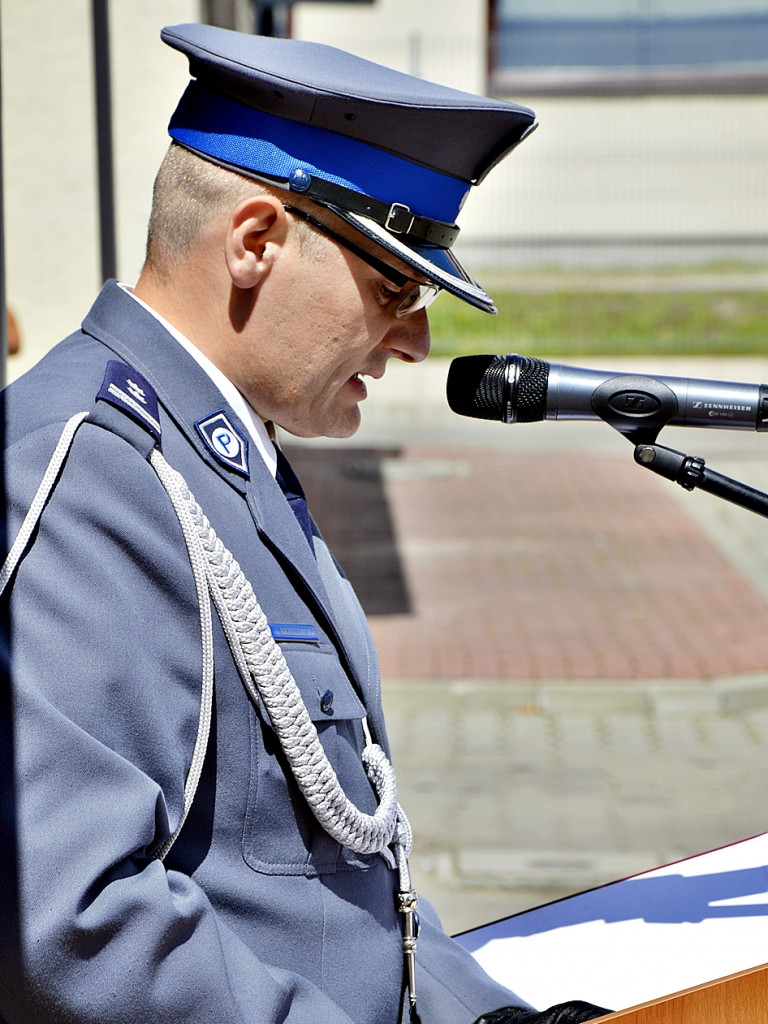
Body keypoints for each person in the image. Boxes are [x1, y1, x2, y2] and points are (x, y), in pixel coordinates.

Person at [0, 23, 610, 1024]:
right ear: (253, 243)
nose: (415, 341)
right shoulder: (85, 478)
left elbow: (347, 881)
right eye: (395, 285)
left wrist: (485, 1015)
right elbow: (74, 927)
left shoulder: (216, 459)